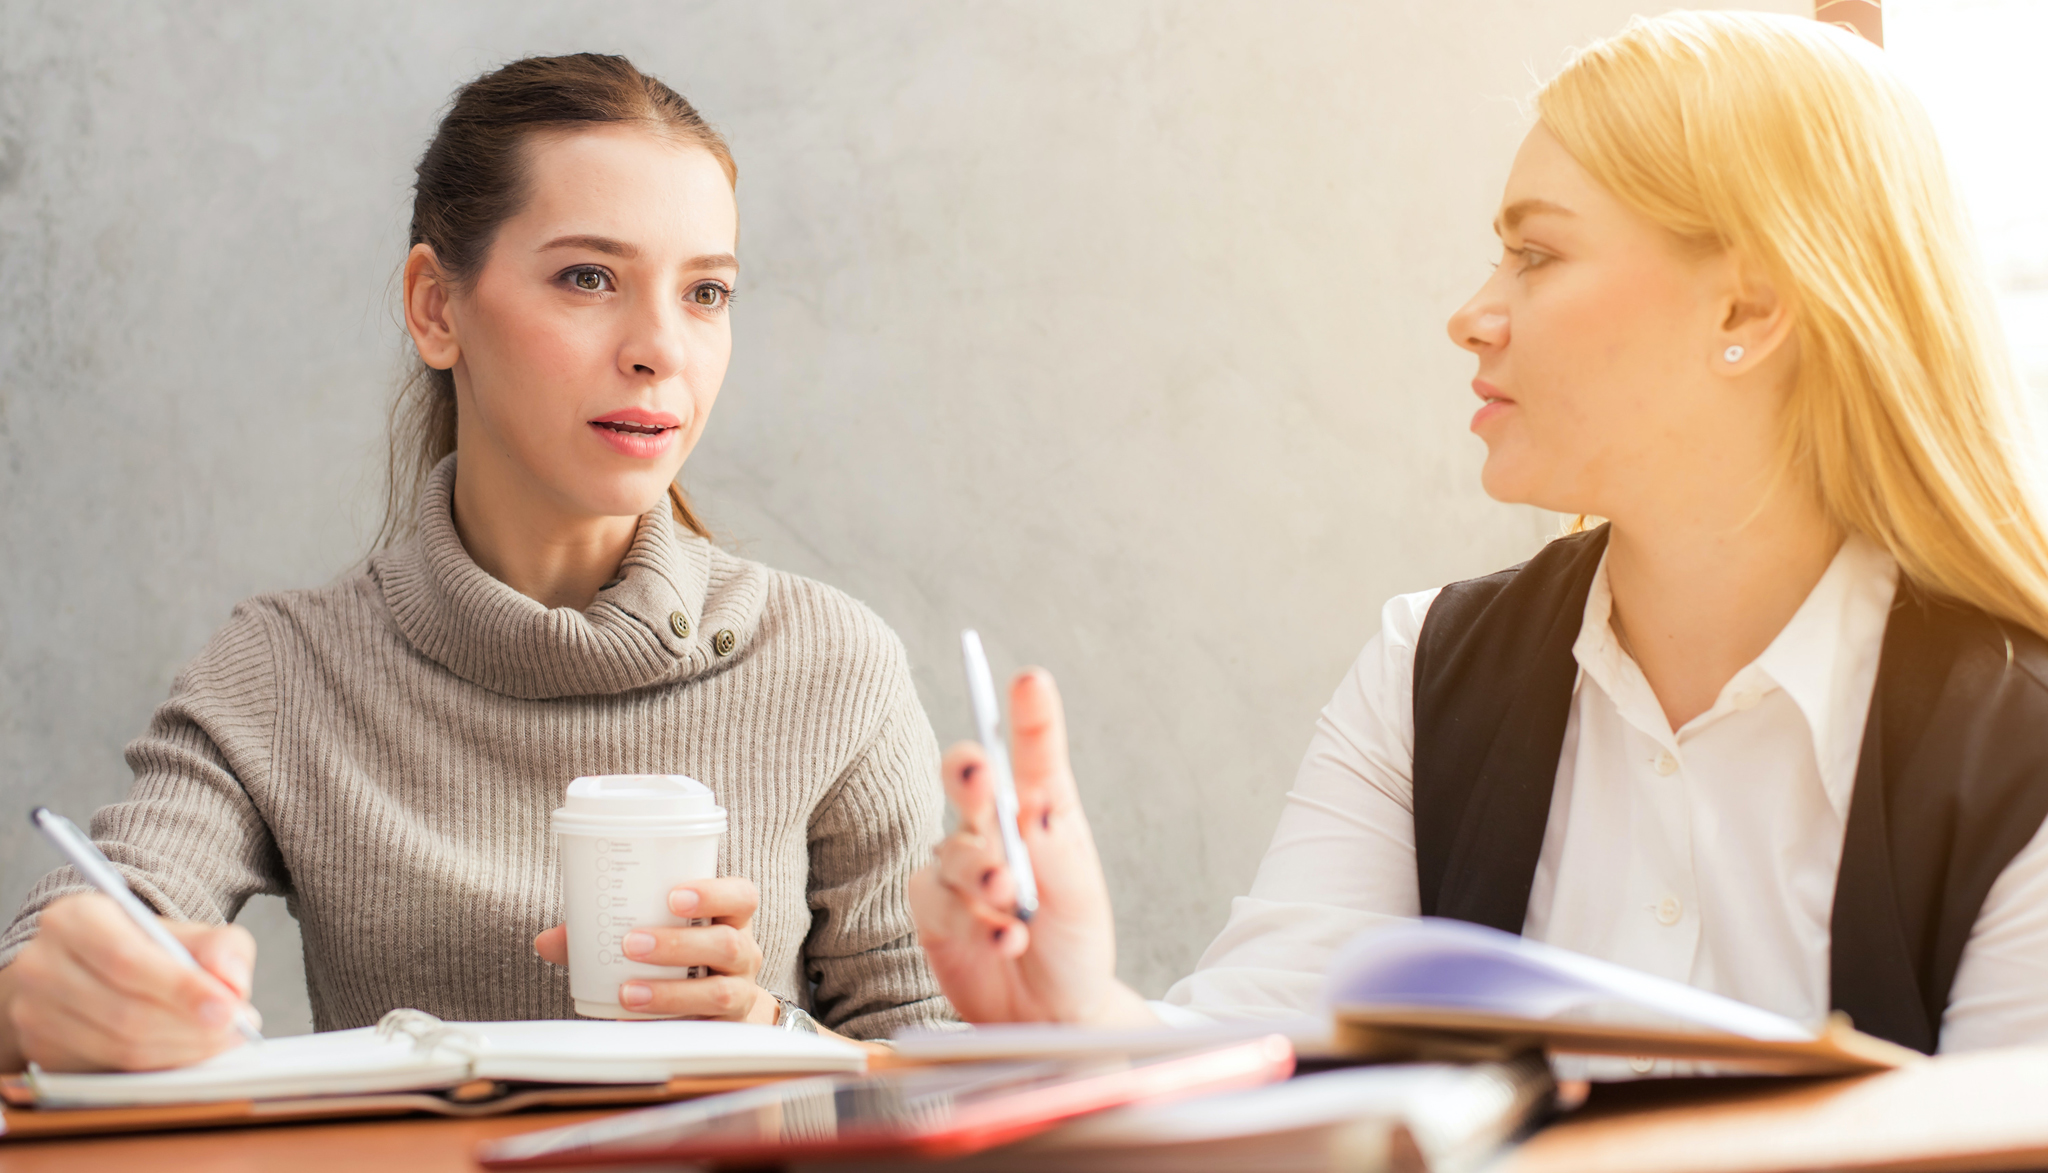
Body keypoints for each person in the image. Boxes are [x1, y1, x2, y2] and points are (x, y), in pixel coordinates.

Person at [911, 11, 2048, 1057]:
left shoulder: (2016, 742)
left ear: (1746, 310)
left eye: (1536, 255)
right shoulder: (1424, 671)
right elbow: (1264, 1068)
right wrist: (1078, 1012)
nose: (1470, 315)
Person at [1, 53, 950, 1073]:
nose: (660, 349)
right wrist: (41, 1003)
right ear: (435, 309)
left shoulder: (832, 666)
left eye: (706, 292)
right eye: (589, 277)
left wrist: (774, 1040)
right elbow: (82, 934)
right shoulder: (284, 672)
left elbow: (951, 1073)